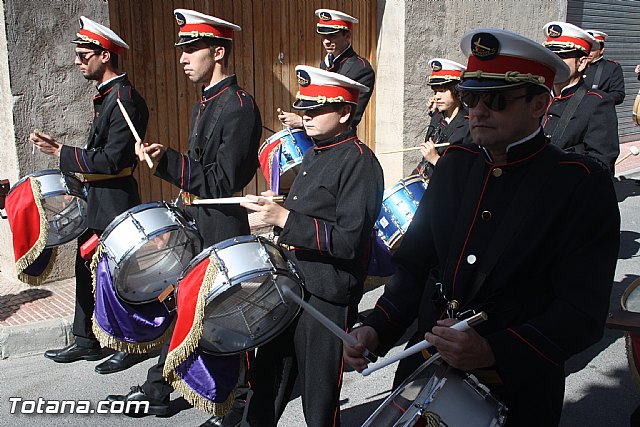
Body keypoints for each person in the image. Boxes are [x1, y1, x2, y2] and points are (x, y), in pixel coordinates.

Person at [343, 28, 619, 427]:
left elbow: (582, 312)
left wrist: (493, 352)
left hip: (515, 386)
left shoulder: (579, 184)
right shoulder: (455, 162)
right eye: (471, 96)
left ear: (540, 103)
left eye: (496, 100)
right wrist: (376, 326)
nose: (477, 110)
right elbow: (417, 265)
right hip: (426, 371)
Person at [105, 10, 261, 423]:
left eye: (192, 48)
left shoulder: (240, 107)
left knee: (223, 317)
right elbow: (197, 171)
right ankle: (160, 384)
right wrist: (165, 164)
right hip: (196, 220)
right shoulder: (203, 106)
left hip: (223, 226)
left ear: (219, 52)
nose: (183, 58)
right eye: (183, 49)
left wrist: (169, 162)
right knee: (183, 308)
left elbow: (223, 179)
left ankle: (237, 400)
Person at [242, 65, 384, 426]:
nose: (306, 116)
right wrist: (278, 205)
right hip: (292, 286)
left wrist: (284, 219)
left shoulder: (361, 162)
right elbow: (314, 211)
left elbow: (350, 240)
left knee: (318, 404)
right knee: (266, 386)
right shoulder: (314, 152)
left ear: (345, 112)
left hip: (326, 295)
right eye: (303, 107)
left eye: (316, 108)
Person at [30, 16, 149, 375]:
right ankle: (86, 341)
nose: (79, 62)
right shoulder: (107, 96)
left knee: (119, 273)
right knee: (87, 266)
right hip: (97, 196)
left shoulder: (126, 99)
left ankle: (132, 342)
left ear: (105, 56)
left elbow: (114, 159)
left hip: (116, 198)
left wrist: (61, 152)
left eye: (84, 55)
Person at [542, 21, 620, 174]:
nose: (554, 63)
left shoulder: (597, 103)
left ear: (582, 63)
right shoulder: (537, 97)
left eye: (562, 57)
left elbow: (600, 166)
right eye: (550, 57)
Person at [278, 9, 375, 130]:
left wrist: (303, 122)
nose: (326, 41)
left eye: (333, 35)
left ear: (348, 36)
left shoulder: (361, 69)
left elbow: (350, 118)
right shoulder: (324, 64)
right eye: (323, 36)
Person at [413, 58, 471, 179]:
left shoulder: (469, 124)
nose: (437, 97)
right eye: (435, 92)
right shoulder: (437, 117)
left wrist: (436, 160)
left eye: (442, 91)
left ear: (457, 91)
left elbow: (466, 170)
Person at [583, 30, 625, 105]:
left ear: (601, 50)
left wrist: (598, 99)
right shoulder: (576, 65)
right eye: (586, 48)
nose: (588, 52)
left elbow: (619, 95)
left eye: (592, 49)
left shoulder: (611, 67)